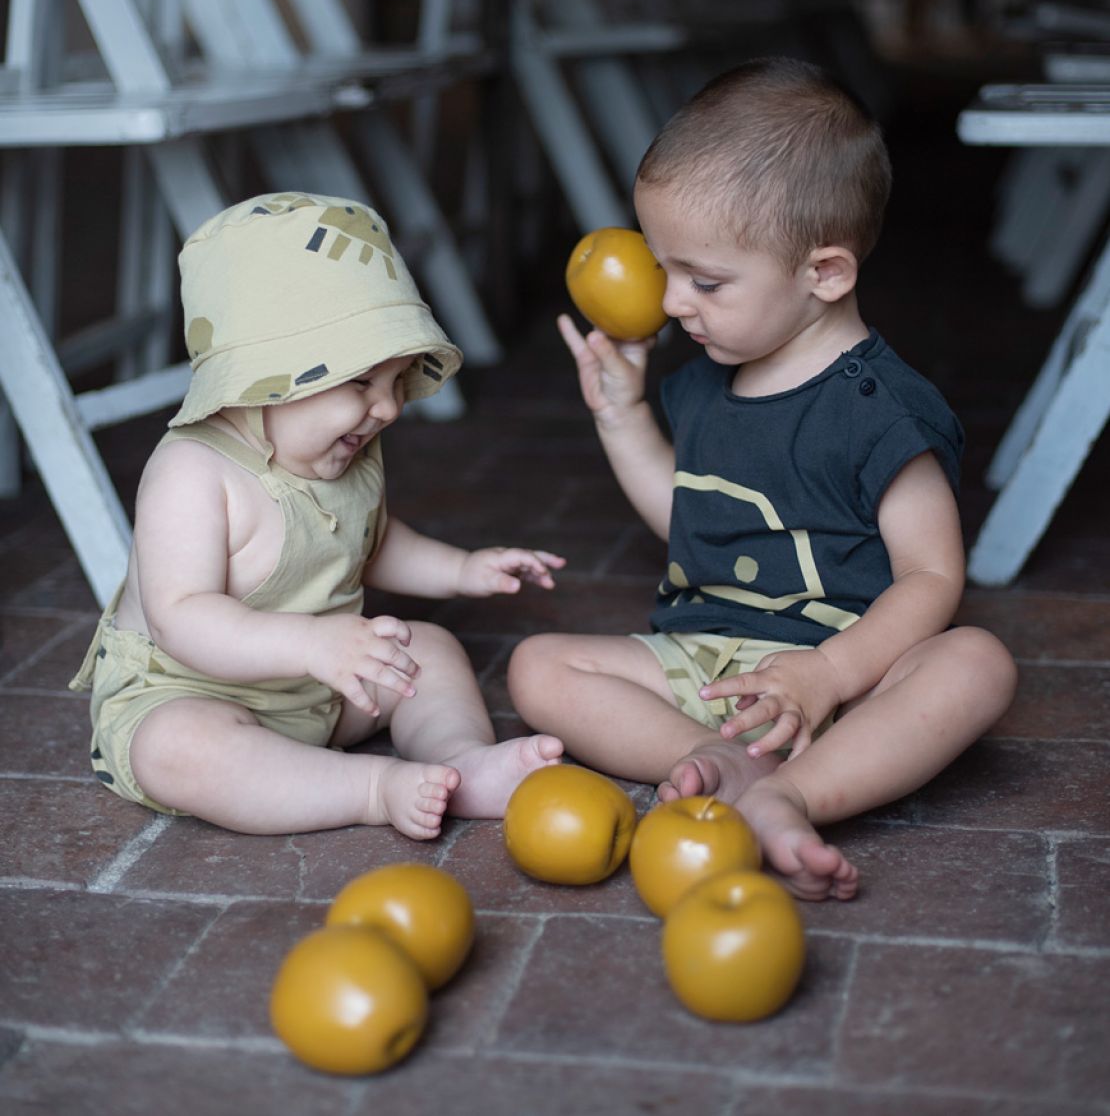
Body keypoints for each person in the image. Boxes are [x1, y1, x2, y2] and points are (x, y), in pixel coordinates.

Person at [508, 58, 1017, 901]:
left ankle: (792, 792)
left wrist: (829, 675)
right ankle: (705, 757)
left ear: (824, 275)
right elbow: (686, 516)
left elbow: (933, 575)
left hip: (844, 671)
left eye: (704, 281)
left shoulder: (883, 413)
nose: (671, 303)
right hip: (707, 662)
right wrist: (620, 414)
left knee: (976, 664)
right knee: (539, 667)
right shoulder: (712, 376)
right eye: (663, 270)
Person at [70, 192, 564, 840]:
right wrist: (312, 644)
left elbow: (374, 542)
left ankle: (458, 763)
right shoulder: (192, 472)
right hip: (197, 692)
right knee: (177, 748)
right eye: (362, 383)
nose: (386, 408)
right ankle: (370, 789)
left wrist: (461, 569)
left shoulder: (345, 451)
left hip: (324, 689)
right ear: (262, 373)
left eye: (395, 383)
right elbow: (182, 616)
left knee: (432, 651)